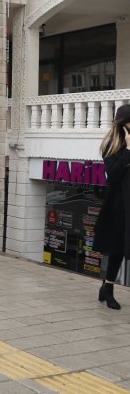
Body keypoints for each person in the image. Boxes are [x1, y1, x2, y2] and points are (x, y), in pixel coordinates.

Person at [93, 104, 130, 310]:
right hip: (118, 205)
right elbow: (113, 176)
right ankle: (108, 289)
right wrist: (129, 151)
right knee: (117, 249)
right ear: (122, 125)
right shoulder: (111, 146)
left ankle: (106, 288)